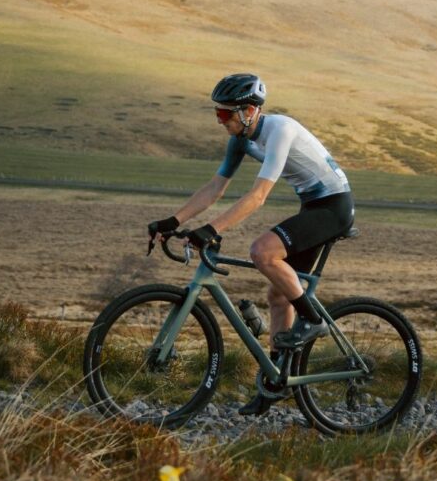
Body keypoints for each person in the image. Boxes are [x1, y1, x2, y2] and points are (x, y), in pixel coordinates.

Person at [147, 73, 355, 415]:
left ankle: (312, 319)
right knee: (277, 294)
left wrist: (211, 229)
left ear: (248, 111)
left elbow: (258, 196)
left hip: (333, 206)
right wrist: (175, 221)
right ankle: (275, 383)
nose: (220, 121)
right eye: (218, 114)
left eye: (225, 114)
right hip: (312, 205)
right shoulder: (242, 139)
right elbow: (216, 187)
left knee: (262, 251)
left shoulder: (280, 130)